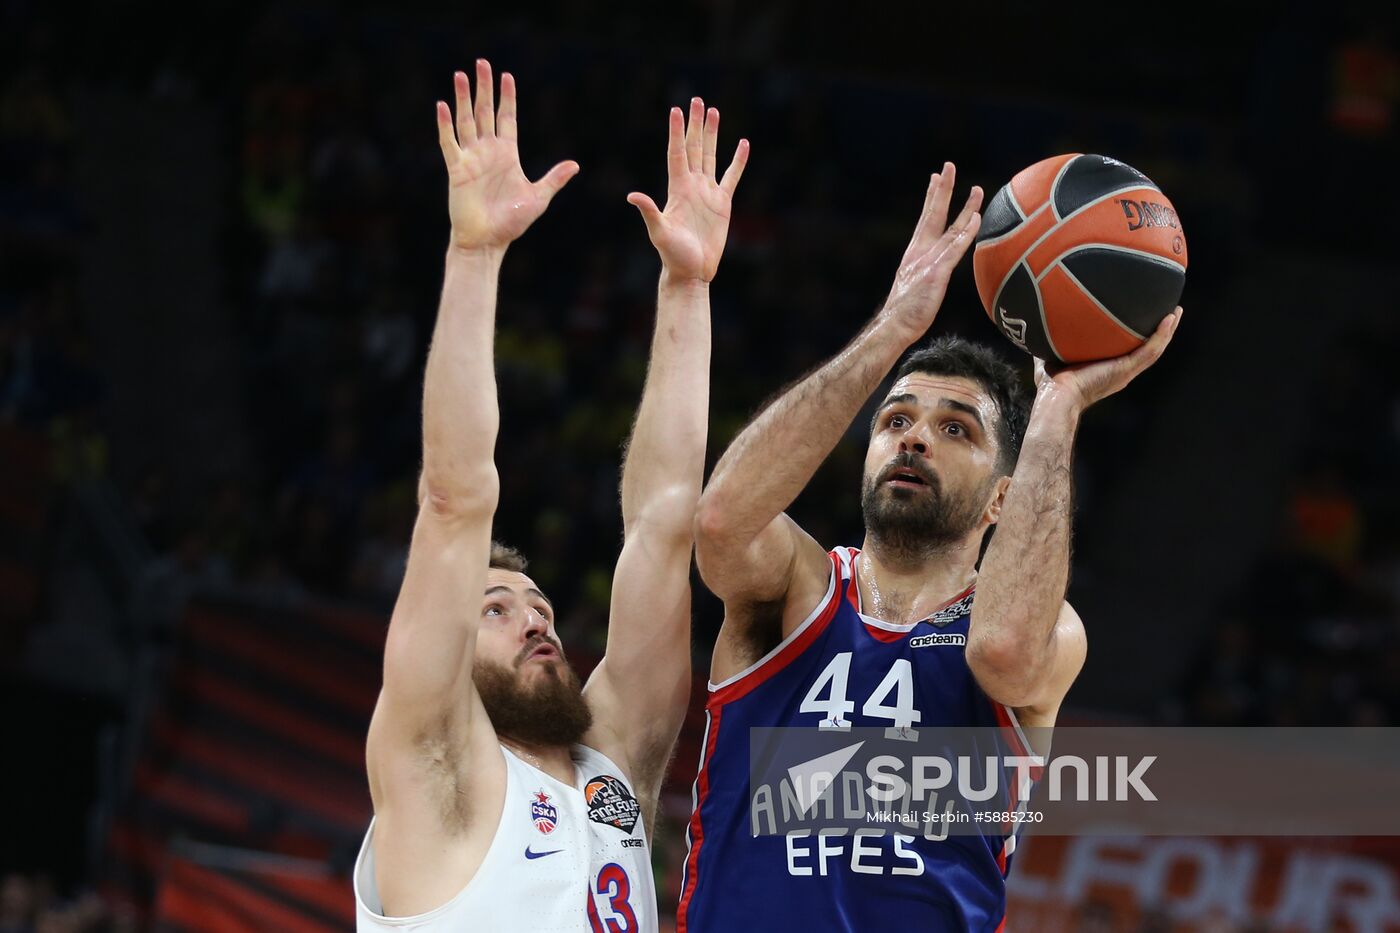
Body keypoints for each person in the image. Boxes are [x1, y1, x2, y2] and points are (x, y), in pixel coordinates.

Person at [678, 164, 1181, 931]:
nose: (914, 436)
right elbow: (719, 523)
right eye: (896, 420)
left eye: (957, 430)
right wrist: (892, 330)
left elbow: (1005, 652)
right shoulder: (795, 586)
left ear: (1004, 497)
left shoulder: (1048, 629)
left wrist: (1059, 407)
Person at [353, 61, 748, 931]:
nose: (538, 618)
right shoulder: (432, 770)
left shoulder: (612, 763)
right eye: (496, 608)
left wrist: (687, 289)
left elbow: (663, 519)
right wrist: (475, 255)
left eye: (536, 603)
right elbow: (456, 499)